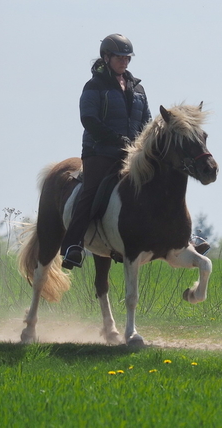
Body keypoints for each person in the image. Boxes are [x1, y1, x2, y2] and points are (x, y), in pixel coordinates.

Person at [60, 34, 152, 269]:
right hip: (99, 151)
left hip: (132, 154)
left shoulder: (138, 88)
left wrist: (144, 144)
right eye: (120, 57)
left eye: (127, 58)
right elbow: (88, 119)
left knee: (161, 182)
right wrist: (115, 139)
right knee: (90, 192)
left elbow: (147, 121)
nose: (125, 62)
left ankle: (181, 239)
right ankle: (73, 246)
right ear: (106, 57)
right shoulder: (95, 86)